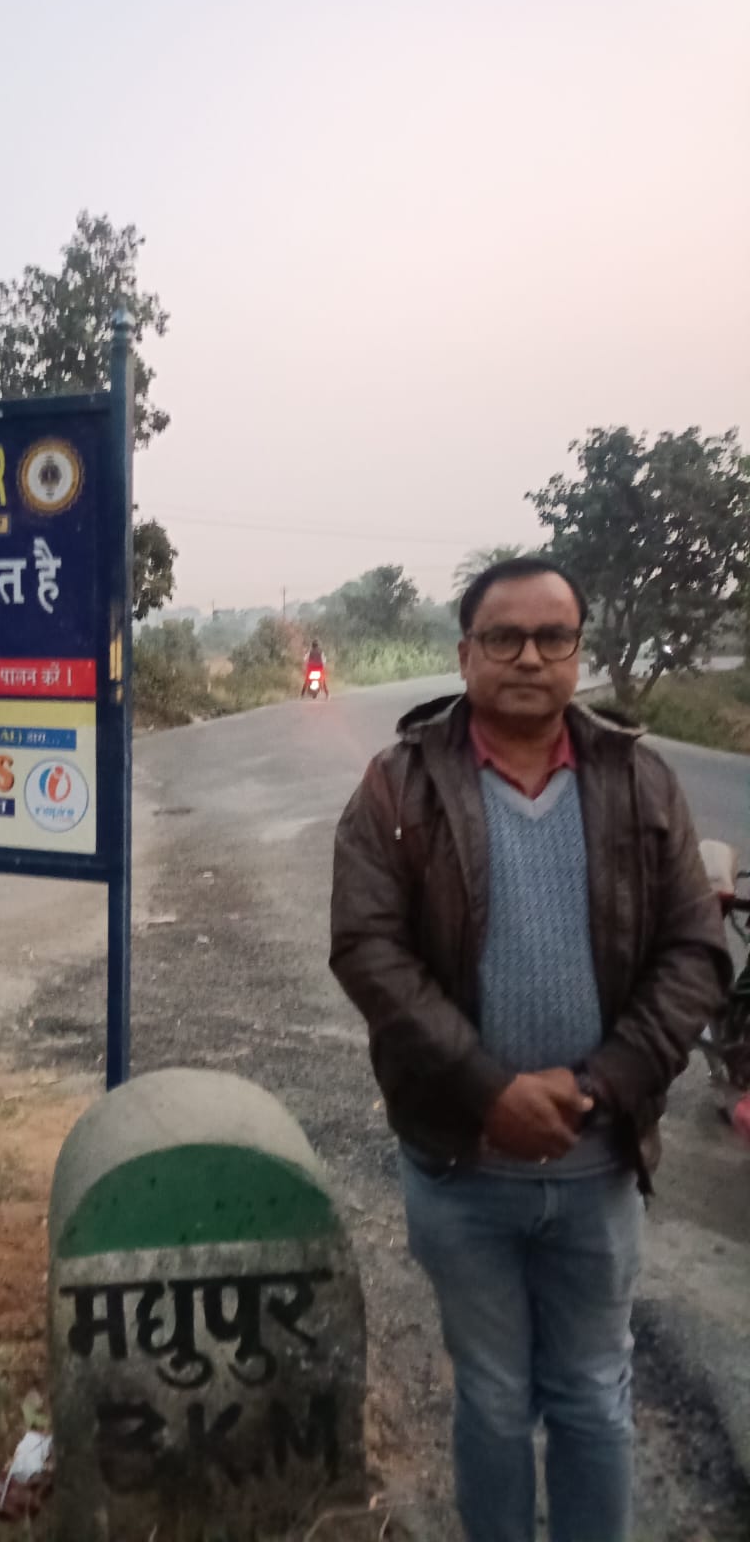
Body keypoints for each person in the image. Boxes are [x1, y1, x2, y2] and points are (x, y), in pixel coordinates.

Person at [329, 556, 729, 1542]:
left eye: (554, 637)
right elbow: (367, 950)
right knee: (496, 1396)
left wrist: (604, 1083)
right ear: (465, 654)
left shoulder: (640, 780)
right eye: (503, 637)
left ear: (578, 656)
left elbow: (695, 949)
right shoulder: (398, 784)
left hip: (599, 1164)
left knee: (594, 1390)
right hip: (462, 1165)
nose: (529, 657)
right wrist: (487, 1087)